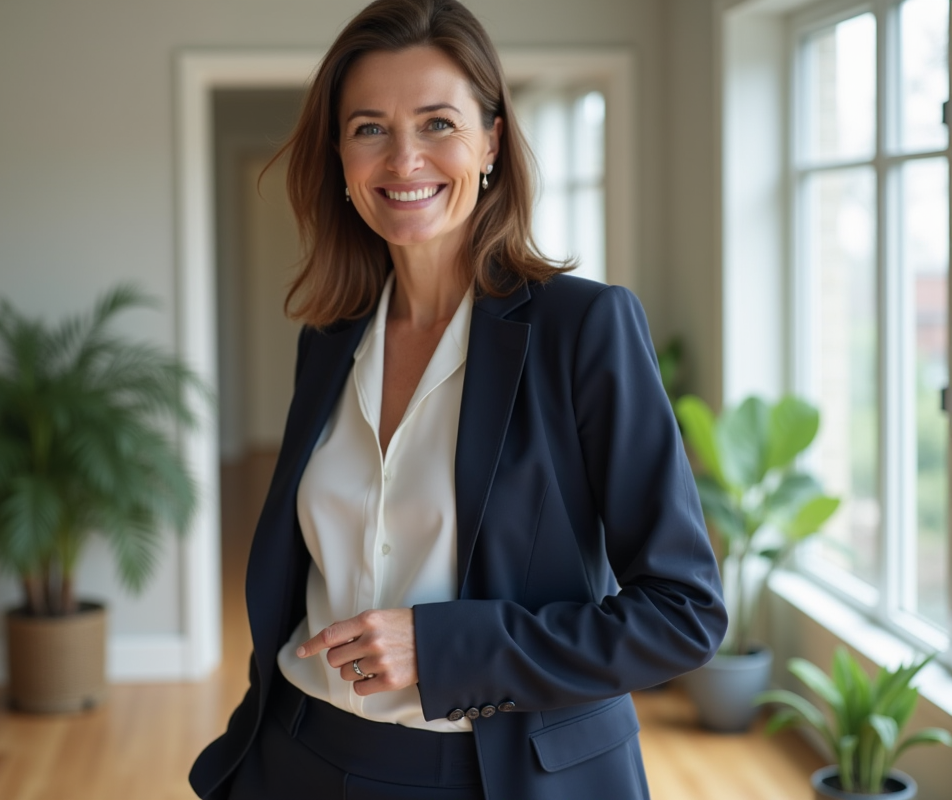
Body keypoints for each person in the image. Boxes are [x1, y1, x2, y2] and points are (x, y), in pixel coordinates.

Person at [190, 0, 727, 797]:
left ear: (491, 142)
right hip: (298, 754)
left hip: (493, 774)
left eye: (438, 123)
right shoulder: (329, 341)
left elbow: (684, 614)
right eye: (369, 128)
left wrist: (444, 649)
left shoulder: (583, 328)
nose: (404, 159)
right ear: (341, 158)